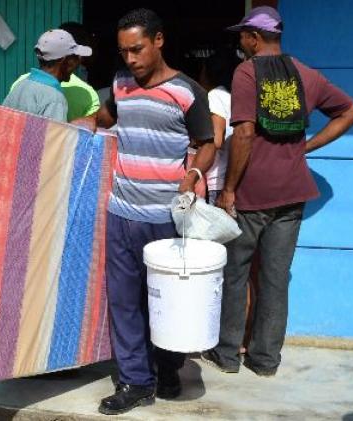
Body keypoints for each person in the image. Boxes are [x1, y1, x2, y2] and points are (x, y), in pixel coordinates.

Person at [202, 6, 353, 376]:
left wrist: (228, 191)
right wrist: (305, 147)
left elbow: (242, 133)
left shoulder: (246, 71)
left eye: (242, 34)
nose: (239, 40)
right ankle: (265, 360)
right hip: (292, 195)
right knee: (275, 279)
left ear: (254, 38)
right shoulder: (306, 74)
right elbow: (351, 111)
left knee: (235, 273)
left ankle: (227, 356)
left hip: (251, 195)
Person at [94, 9, 215, 415]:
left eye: (137, 49)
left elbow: (207, 141)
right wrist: (70, 127)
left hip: (166, 218)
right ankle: (136, 381)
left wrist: (193, 172)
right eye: (124, 51)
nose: (130, 59)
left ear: (159, 40)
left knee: (164, 301)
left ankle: (167, 369)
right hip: (121, 212)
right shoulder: (120, 84)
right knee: (125, 301)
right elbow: (105, 119)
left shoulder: (187, 92)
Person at [8, 23, 100, 124]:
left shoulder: (21, 84)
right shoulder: (55, 98)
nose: (78, 63)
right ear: (66, 61)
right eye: (76, 57)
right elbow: (54, 138)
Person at [198, 48, 241, 204]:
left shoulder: (215, 95)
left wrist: (194, 139)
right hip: (233, 178)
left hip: (217, 180)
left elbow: (216, 140)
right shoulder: (237, 96)